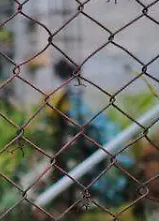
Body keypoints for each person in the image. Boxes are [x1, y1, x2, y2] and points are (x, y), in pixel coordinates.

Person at [47, 58, 132, 205]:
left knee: (98, 172)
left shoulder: (71, 90)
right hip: (92, 135)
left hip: (94, 135)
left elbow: (78, 115)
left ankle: (110, 199)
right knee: (96, 172)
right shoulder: (72, 90)